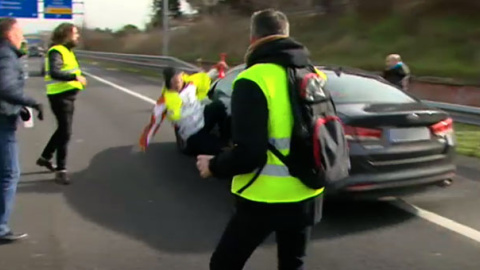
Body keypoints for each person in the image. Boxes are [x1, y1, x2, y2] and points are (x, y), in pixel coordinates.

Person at [196, 9, 325, 270]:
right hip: (309, 190)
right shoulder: (314, 75)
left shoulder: (252, 79)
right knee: (293, 263)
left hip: (264, 197)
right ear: (286, 34)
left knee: (223, 264)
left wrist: (213, 166)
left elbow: (249, 154)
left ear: (253, 38)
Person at [0, 17, 44, 243]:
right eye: (20, 33)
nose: (23, 37)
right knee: (9, 173)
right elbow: (5, 87)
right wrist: (32, 102)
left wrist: (19, 107)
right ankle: (0, 227)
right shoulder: (6, 55)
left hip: (6, 114)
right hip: (2, 121)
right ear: (10, 34)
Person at [36, 23, 87, 185]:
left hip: (66, 96)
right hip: (60, 97)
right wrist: (75, 77)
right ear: (65, 34)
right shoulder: (56, 51)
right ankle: (61, 170)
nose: (77, 36)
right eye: (75, 33)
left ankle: (45, 157)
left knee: (62, 130)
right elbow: (55, 72)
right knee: (65, 132)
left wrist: (77, 77)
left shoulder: (67, 51)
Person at [139, 64, 230, 155]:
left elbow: (205, 76)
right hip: (192, 133)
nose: (177, 85)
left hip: (203, 118)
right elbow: (155, 122)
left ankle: (225, 137)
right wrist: (144, 141)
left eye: (179, 81)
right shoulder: (164, 100)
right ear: (168, 82)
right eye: (174, 83)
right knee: (219, 149)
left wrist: (218, 68)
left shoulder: (191, 83)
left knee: (218, 105)